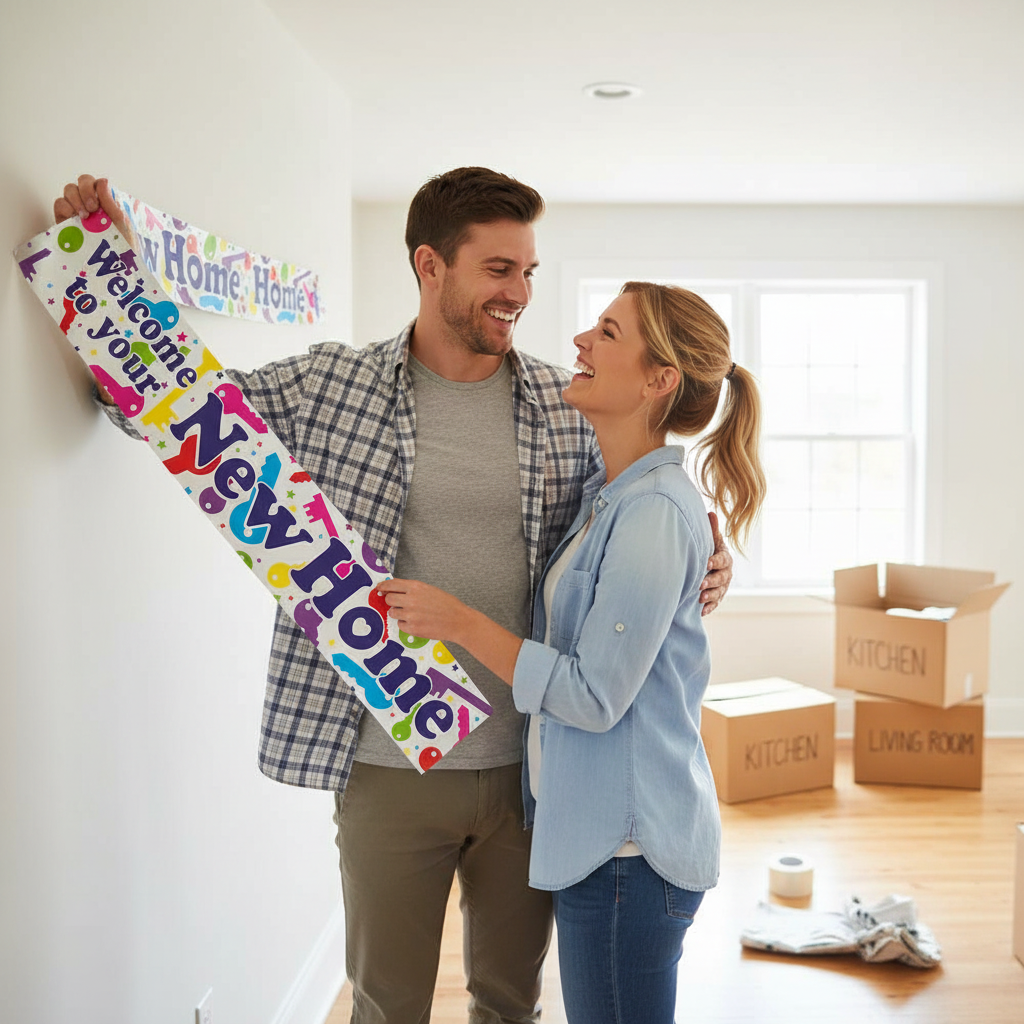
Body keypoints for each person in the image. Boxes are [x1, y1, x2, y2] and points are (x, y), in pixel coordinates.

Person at [53, 171, 735, 1024]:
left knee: (510, 1003)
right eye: (499, 270)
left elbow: (643, 518)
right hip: (388, 766)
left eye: (528, 270)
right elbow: (170, 408)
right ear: (430, 265)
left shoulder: (567, 408)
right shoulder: (331, 386)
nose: (521, 293)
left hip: (534, 773)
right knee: (387, 1005)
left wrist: (713, 558)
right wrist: (113, 271)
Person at [378, 281, 766, 1024]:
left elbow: (592, 696)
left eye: (609, 332)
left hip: (629, 856)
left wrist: (458, 623)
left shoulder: (652, 512)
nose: (581, 341)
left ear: (658, 381)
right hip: (604, 845)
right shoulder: (609, 494)